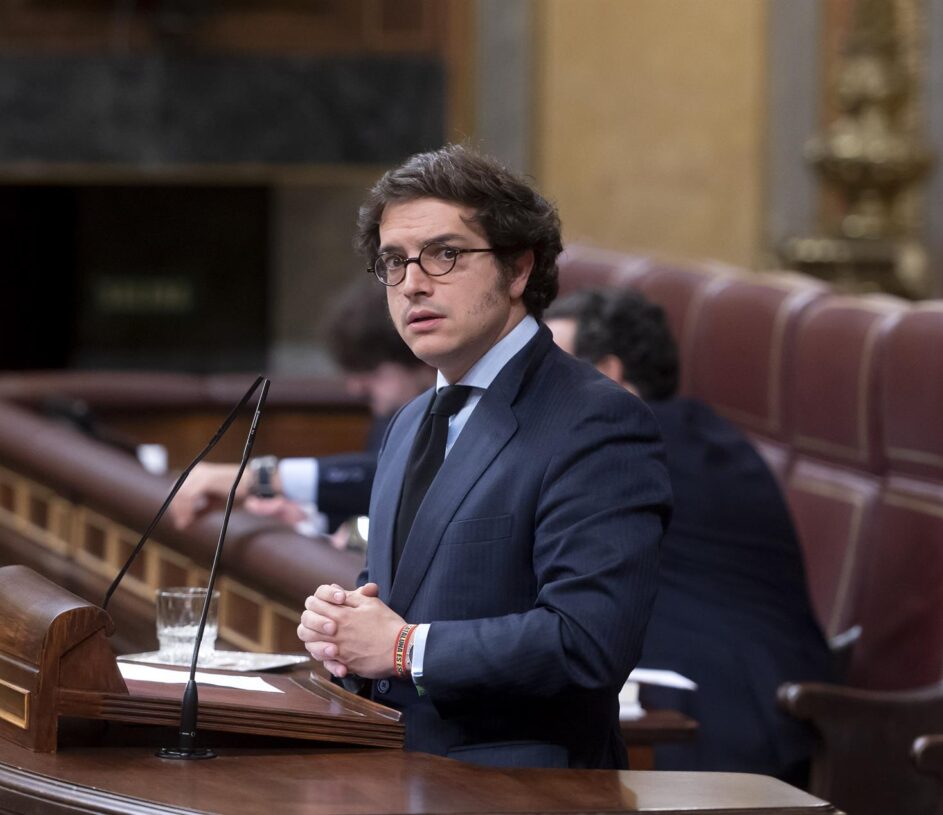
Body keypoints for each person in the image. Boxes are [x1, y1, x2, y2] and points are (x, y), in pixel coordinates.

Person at [296, 144, 672, 769]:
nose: (413, 282)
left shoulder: (596, 420)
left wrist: (402, 649)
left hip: (521, 788)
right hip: (392, 772)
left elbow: (588, 641)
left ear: (518, 269)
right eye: (394, 261)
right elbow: (403, 598)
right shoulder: (411, 419)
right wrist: (344, 623)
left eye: (445, 255)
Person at [545, 288, 833, 784]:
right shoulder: (690, 431)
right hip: (723, 702)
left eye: (554, 371)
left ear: (608, 372)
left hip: (717, 720)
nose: (539, 391)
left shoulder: (633, 440)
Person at [169, 278, 434, 537]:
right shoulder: (391, 416)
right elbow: (370, 503)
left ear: (421, 360)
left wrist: (259, 479)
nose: (356, 389)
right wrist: (308, 517)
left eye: (371, 371)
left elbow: (385, 474)